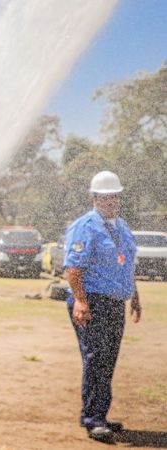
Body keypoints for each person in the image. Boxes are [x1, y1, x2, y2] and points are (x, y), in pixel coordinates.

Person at [64, 170, 141, 442]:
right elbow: (73, 269)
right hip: (92, 301)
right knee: (96, 359)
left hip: (115, 302)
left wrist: (135, 296)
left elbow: (126, 264)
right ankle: (93, 419)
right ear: (95, 197)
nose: (111, 201)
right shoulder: (85, 225)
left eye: (115, 197)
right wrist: (81, 302)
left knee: (108, 361)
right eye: (105, 197)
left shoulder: (121, 226)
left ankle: (99, 413)